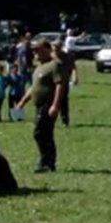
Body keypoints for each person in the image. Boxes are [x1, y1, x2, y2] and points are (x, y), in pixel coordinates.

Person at [17, 38, 66, 173]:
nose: (35, 53)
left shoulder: (54, 65)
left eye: (38, 50)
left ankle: (45, 160)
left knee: (39, 133)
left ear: (47, 50)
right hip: (39, 106)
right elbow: (34, 87)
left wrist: (55, 105)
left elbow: (60, 85)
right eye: (34, 50)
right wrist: (23, 101)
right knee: (45, 134)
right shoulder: (39, 67)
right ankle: (49, 162)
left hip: (47, 104)